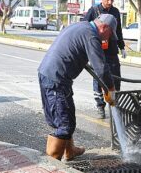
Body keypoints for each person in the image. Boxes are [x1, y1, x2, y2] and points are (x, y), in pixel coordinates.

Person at [38, 14, 118, 160]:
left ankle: (70, 151)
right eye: (110, 34)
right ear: (104, 27)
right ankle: (51, 165)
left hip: (50, 74)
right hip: (56, 80)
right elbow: (100, 68)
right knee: (64, 125)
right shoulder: (92, 36)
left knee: (68, 116)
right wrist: (110, 89)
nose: (108, 38)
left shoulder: (80, 26)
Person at [84, 0, 126, 119]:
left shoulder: (115, 12)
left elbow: (118, 31)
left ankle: (114, 105)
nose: (110, 1)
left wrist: (122, 47)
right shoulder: (94, 11)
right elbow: (85, 28)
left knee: (115, 78)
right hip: (98, 51)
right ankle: (100, 106)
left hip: (112, 51)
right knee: (99, 78)